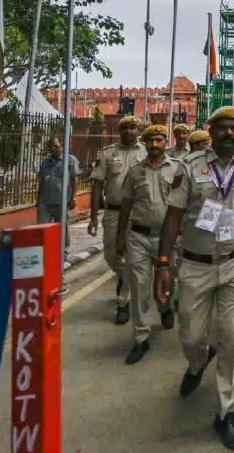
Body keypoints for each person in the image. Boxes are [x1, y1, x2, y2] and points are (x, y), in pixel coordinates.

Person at [154, 106, 234, 450]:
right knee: (190, 335)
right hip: (196, 264)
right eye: (224, 128)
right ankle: (197, 362)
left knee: (233, 337)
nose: (230, 134)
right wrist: (162, 263)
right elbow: (173, 217)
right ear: (211, 130)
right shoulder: (188, 168)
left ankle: (226, 411)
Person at [115, 125, 178, 364]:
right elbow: (126, 206)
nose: (154, 145)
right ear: (146, 143)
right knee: (139, 286)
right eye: (150, 141)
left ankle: (165, 307)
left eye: (159, 140)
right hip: (139, 237)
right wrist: (120, 236)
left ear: (165, 142)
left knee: (167, 281)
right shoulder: (134, 172)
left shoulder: (176, 169)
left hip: (167, 238)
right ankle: (141, 337)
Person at [89, 115, 147, 325]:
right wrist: (94, 217)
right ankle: (124, 278)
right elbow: (97, 184)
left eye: (133, 128)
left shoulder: (146, 151)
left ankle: (124, 303)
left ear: (139, 130)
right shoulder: (108, 154)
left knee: (133, 257)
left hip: (139, 212)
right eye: (125, 128)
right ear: (119, 131)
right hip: (113, 212)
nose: (129, 132)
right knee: (112, 255)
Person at [37, 136, 78, 252]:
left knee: (63, 227)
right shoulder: (45, 163)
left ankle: (64, 250)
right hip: (45, 201)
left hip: (62, 201)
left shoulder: (70, 160)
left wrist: (73, 198)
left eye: (56, 146)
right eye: (51, 146)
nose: (53, 149)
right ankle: (45, 251)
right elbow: (42, 182)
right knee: (43, 227)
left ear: (62, 145)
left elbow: (75, 180)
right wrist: (38, 200)